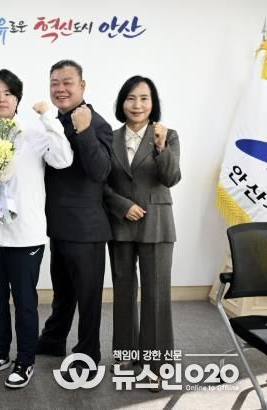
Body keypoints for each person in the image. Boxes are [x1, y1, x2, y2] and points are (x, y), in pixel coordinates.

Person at [0, 69, 73, 389]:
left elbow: (64, 159)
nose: (1, 99)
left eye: (8, 94)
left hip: (26, 234)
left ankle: (25, 359)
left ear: (17, 99)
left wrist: (49, 117)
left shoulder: (35, 133)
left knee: (25, 302)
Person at [37, 60, 113, 379]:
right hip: (57, 224)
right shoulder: (52, 121)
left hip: (86, 228)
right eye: (55, 83)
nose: (60, 89)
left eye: (67, 82)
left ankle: (88, 353)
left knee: (88, 297)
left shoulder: (97, 124)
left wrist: (84, 130)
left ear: (82, 86)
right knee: (63, 290)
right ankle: (54, 338)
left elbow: (100, 171)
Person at [104, 76, 181, 387]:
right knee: (123, 293)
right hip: (121, 224)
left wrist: (161, 147)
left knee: (156, 295)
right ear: (122, 103)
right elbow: (100, 183)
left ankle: (157, 364)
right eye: (131, 98)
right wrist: (121, 205)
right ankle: (125, 355)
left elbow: (171, 177)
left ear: (153, 103)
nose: (137, 105)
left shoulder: (168, 135)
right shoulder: (109, 138)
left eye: (144, 98)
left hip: (157, 224)